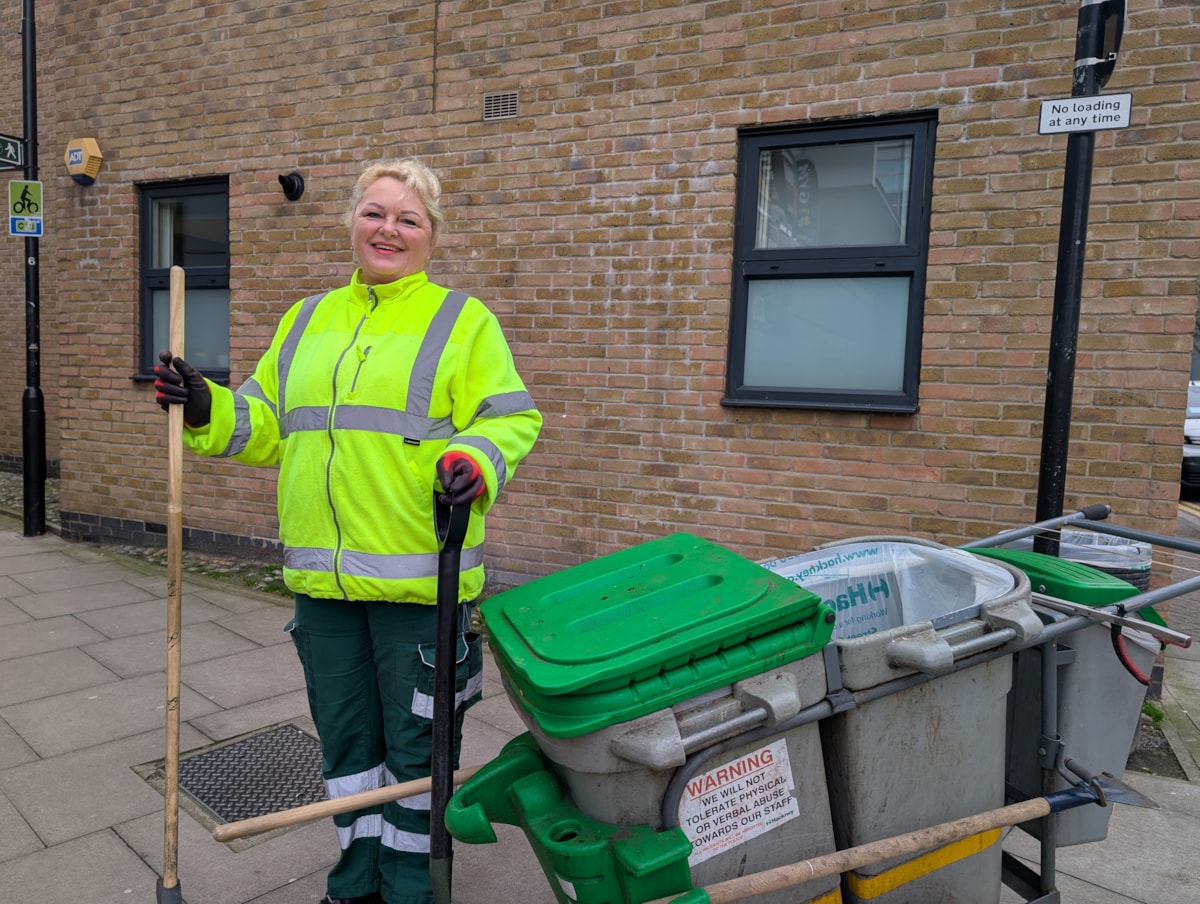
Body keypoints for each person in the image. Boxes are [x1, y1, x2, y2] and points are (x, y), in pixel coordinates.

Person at [153, 157, 542, 904]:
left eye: (408, 219)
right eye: (375, 213)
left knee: (417, 753)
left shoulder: (462, 322)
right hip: (323, 588)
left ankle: (410, 889)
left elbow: (511, 417)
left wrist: (473, 459)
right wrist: (205, 405)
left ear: (430, 237)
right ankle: (355, 881)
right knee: (348, 750)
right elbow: (265, 424)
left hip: (419, 588)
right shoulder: (306, 319)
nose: (388, 229)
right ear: (351, 224)